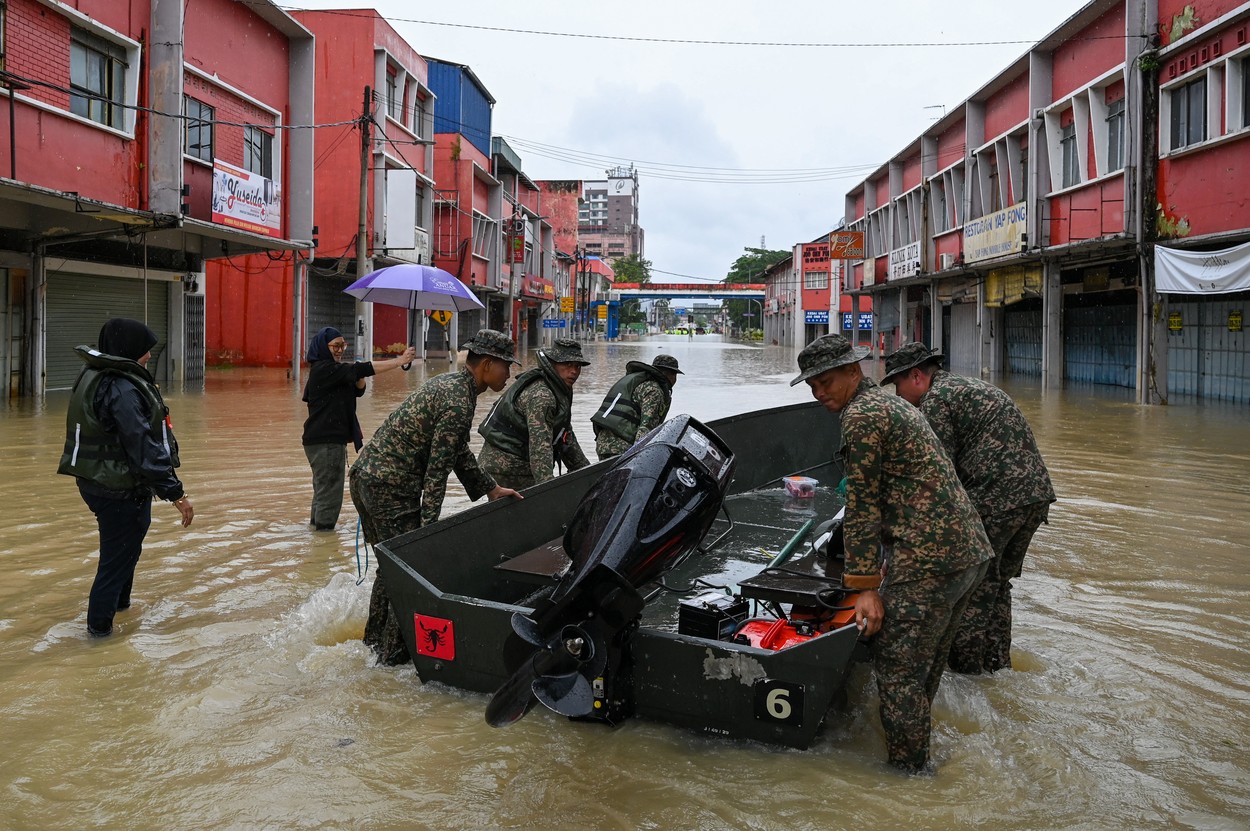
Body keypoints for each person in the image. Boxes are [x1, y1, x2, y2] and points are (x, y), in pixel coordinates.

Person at [791, 333, 992, 773]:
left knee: (898, 673)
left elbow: (863, 505)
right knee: (923, 671)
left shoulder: (862, 416)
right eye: (811, 386)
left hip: (929, 559)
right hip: (968, 552)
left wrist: (863, 588)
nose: (819, 392)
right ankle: (924, 764)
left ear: (852, 370)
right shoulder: (892, 404)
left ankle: (907, 780)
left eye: (825, 381)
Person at [349, 329, 523, 665]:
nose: (509, 374)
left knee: (390, 567)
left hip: (368, 478)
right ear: (486, 365)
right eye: (506, 366)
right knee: (408, 568)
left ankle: (373, 647)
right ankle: (391, 657)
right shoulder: (458, 400)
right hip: (389, 486)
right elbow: (437, 473)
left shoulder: (455, 387)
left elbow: (456, 451)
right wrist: (426, 535)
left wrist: (489, 488)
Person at [882, 342, 1055, 674]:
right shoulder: (968, 386)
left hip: (996, 500)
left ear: (916, 376)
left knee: (972, 588)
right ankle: (997, 668)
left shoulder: (936, 400)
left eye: (898, 385)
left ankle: (967, 677)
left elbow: (934, 474)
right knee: (996, 583)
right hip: (1034, 497)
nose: (899, 396)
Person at [57, 318, 195, 637]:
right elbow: (142, 447)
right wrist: (177, 495)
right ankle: (100, 638)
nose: (148, 356)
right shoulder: (122, 388)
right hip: (118, 490)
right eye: (145, 350)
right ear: (129, 349)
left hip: (98, 482)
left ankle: (122, 608)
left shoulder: (97, 376)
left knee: (125, 552)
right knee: (114, 562)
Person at [301, 327, 415, 532]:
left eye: (342, 345)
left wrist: (359, 372)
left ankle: (316, 531)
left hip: (321, 442)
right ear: (322, 347)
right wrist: (399, 361)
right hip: (326, 443)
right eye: (335, 346)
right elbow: (359, 371)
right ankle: (324, 539)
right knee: (330, 492)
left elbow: (358, 389)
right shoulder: (324, 369)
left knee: (323, 490)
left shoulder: (332, 372)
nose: (340, 350)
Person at [477, 337, 591, 489]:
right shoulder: (542, 396)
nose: (574, 371)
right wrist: (546, 490)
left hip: (515, 464)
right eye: (567, 365)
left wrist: (587, 473)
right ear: (552, 364)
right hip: (506, 467)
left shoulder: (559, 389)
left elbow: (564, 435)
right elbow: (540, 448)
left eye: (577, 366)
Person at [591, 353, 683, 461]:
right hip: (623, 447)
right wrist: (640, 458)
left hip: (603, 444)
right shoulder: (655, 391)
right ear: (672, 375)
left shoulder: (636, 382)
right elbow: (647, 428)